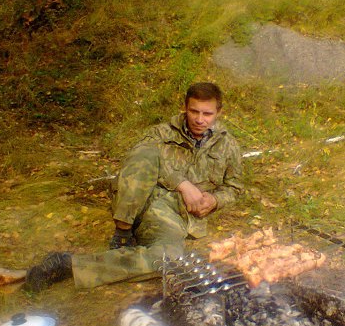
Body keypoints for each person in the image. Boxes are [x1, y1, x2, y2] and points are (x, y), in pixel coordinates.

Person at [25, 82, 243, 291]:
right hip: (146, 202)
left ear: (219, 112)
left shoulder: (228, 146)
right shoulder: (160, 133)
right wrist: (181, 184)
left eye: (207, 114)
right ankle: (123, 233)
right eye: (194, 111)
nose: (199, 119)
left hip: (178, 217)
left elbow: (234, 187)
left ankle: (66, 264)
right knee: (145, 154)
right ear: (184, 107)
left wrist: (215, 200)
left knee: (170, 259)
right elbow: (137, 163)